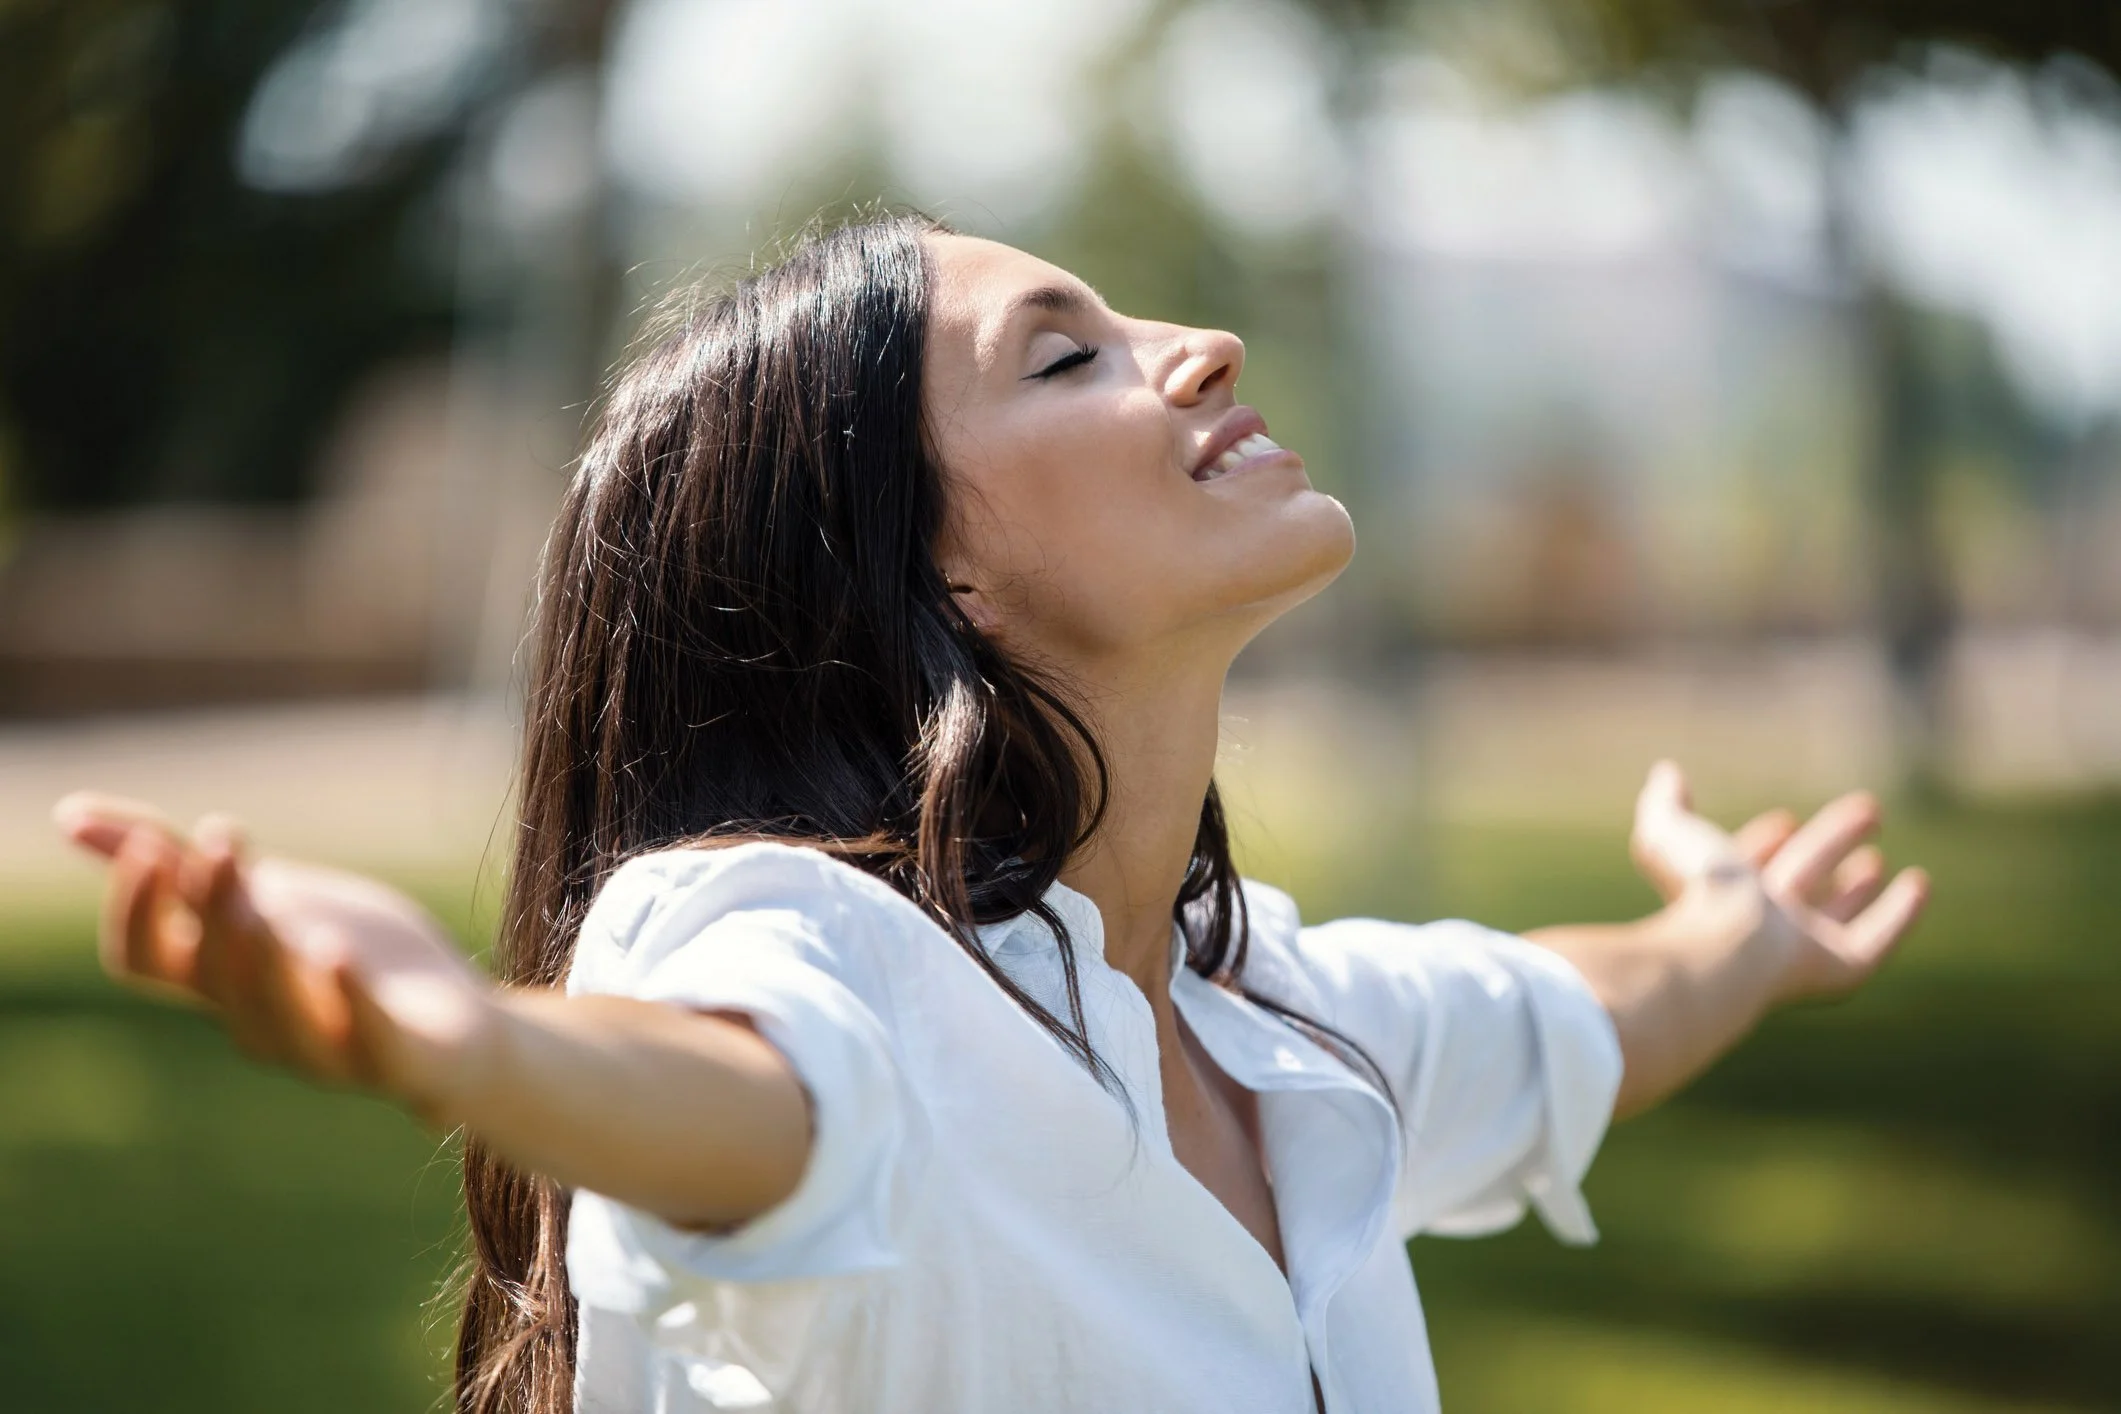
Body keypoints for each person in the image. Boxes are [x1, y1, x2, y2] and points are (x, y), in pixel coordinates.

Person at [54, 214, 1927, 1414]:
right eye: (1068, 352)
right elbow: (755, 1095)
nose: (1197, 345)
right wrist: (473, 1042)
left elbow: (1563, 1020)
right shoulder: (819, 954)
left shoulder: (1265, 1024)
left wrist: (1737, 930)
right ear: (925, 582)